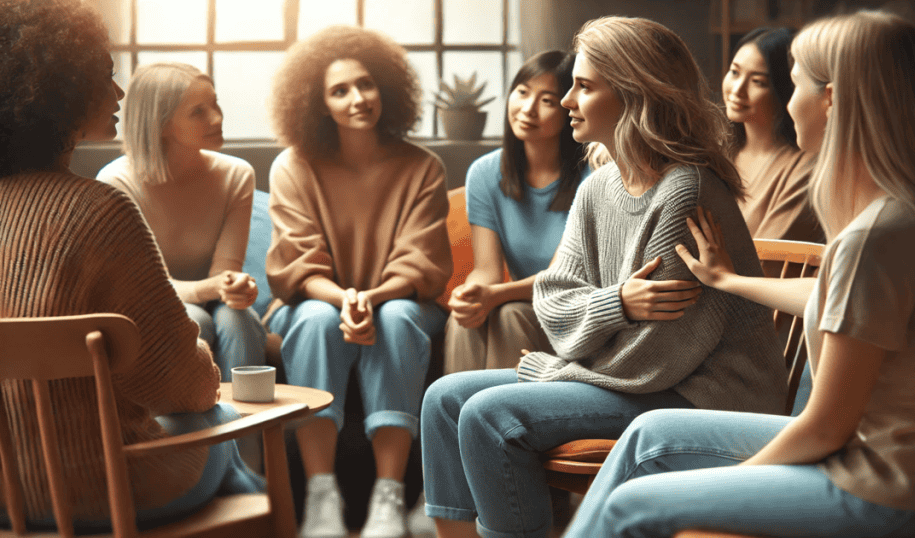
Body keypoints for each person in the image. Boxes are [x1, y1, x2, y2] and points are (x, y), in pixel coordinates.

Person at [561, 12, 915, 538]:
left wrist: (724, 488)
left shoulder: (873, 240)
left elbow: (827, 428)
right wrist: (731, 280)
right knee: (649, 432)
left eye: (793, 85)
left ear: (831, 100)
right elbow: (841, 301)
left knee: (633, 505)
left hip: (878, 488)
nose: (788, 104)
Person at [421, 16, 786, 538]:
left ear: (635, 95)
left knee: (487, 415)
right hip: (636, 380)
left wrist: (557, 371)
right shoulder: (600, 185)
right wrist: (617, 304)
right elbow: (552, 298)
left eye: (583, 87)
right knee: (443, 400)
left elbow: (658, 357)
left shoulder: (684, 191)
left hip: (700, 395)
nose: (567, 100)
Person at [0, 0, 262, 529]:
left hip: (6, 500)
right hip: (111, 494)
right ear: (60, 91)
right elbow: (182, 386)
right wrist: (205, 363)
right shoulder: (102, 211)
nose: (120, 94)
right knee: (225, 420)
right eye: (104, 77)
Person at [266, 25, 452, 538]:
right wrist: (345, 299)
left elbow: (421, 262)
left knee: (395, 318)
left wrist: (371, 298)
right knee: (314, 320)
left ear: (385, 89)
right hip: (318, 300)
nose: (357, 99)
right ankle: (321, 496)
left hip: (399, 301)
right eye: (339, 90)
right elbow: (298, 262)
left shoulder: (422, 167)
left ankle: (388, 498)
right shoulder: (293, 165)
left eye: (366, 84)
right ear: (317, 102)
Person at [97, 62, 266, 380]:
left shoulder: (237, 174)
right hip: (148, 306)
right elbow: (144, 289)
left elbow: (225, 273)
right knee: (190, 320)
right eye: (198, 111)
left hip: (211, 300)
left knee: (239, 319)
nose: (217, 118)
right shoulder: (117, 183)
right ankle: (193, 427)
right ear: (161, 125)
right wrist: (213, 288)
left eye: (215, 103)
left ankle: (245, 430)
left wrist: (236, 288)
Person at [444, 50, 596, 373]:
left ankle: (506, 419)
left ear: (569, 106)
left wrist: (496, 295)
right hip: (514, 301)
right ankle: (455, 422)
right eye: (522, 92)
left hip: (571, 313)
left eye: (547, 100)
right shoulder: (484, 173)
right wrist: (472, 293)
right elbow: (486, 268)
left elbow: (560, 280)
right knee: (464, 321)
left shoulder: (591, 177)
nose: (527, 109)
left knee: (509, 312)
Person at [723, 27, 821, 246]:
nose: (737, 90)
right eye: (735, 72)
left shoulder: (806, 170)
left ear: (784, 89)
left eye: (758, 81)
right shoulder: (717, 151)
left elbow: (767, 261)